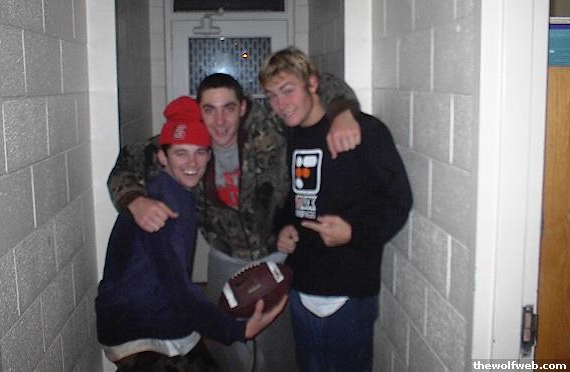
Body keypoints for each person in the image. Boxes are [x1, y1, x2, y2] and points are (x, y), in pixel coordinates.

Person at [107, 73, 361, 371]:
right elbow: (125, 164)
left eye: (229, 108)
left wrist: (342, 113)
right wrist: (135, 201)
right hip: (224, 261)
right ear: (199, 110)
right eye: (209, 109)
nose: (220, 121)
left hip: (279, 258)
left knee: (281, 353)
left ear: (243, 107)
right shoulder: (186, 140)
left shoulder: (269, 126)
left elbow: (317, 83)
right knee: (228, 351)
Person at [95, 96, 287, 372]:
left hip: (159, 313)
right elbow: (179, 289)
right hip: (138, 328)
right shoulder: (163, 205)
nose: (192, 163)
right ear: (162, 157)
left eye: (200, 152)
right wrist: (236, 330)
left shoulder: (175, 191)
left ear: (209, 155)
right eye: (180, 153)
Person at [259, 47, 413, 372]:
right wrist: (282, 230)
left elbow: (398, 200)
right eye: (272, 96)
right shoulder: (288, 138)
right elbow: (293, 201)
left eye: (287, 90)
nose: (280, 104)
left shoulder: (363, 131)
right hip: (301, 287)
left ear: (313, 84)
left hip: (349, 290)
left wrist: (353, 232)